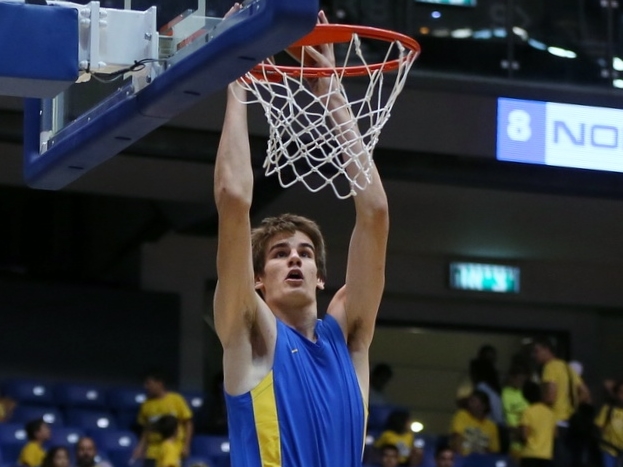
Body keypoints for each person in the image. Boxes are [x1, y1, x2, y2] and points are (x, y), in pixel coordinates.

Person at [213, 4, 389, 466]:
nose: (295, 259)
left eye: (305, 254)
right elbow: (233, 200)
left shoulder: (350, 340)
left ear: (320, 278)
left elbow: (374, 214)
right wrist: (237, 85)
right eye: (279, 254)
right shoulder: (251, 332)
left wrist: (330, 91)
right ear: (256, 280)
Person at [532, 337, 591, 467]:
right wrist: (572, 404)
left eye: (536, 351)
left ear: (546, 350)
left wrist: (539, 409)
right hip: (571, 423)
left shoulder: (550, 367)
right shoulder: (567, 367)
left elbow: (551, 396)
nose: (534, 355)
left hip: (556, 422)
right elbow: (585, 393)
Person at [132, 370, 193, 467]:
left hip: (175, 447)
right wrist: (140, 448)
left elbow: (188, 424)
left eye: (149, 383)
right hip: (152, 451)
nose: (146, 386)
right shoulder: (146, 404)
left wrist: (186, 446)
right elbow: (146, 429)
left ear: (159, 383)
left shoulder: (176, 400)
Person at [449, 390, 500, 456]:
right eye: (470, 401)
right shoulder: (462, 415)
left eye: (473, 401)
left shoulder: (492, 426)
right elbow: (456, 438)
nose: (470, 404)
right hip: (463, 459)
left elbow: (494, 450)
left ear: (483, 406)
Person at [518, 381, 557, 467]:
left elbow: (524, 435)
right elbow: (555, 435)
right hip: (546, 456)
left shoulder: (528, 412)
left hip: (530, 455)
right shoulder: (550, 413)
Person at [502, 363, 530, 461]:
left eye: (523, 380)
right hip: (513, 443)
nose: (520, 382)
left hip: (528, 443)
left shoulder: (527, 394)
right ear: (512, 378)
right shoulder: (504, 394)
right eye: (518, 379)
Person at [595, 380, 623, 467]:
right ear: (617, 393)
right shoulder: (608, 409)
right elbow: (599, 426)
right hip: (608, 450)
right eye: (621, 392)